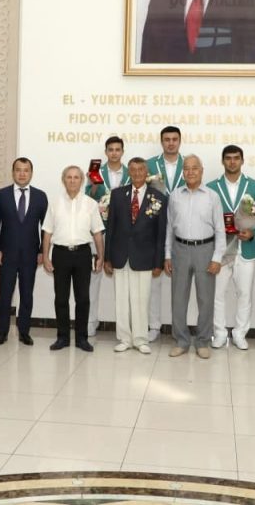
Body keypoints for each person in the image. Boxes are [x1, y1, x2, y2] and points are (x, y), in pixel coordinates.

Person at [104, 157, 167, 354]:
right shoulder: (117, 194)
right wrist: (107, 258)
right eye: (133, 169)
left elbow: (161, 233)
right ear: (129, 172)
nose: (137, 173)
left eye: (141, 169)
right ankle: (124, 338)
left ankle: (140, 339)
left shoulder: (158, 197)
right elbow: (111, 227)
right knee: (122, 300)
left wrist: (158, 262)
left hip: (145, 257)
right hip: (120, 255)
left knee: (141, 300)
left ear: (146, 172)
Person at [164, 155, 224, 359]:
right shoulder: (175, 195)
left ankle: (203, 341)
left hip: (205, 250)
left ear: (201, 170)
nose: (190, 172)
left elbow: (220, 229)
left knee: (206, 299)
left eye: (194, 168)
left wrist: (217, 258)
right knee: (178, 299)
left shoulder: (212, 196)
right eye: (186, 168)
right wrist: (167, 254)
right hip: (179, 250)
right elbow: (169, 228)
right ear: (183, 172)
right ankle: (181, 341)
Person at [207, 145, 255, 350]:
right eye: (228, 158)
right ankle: (220, 333)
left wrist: (253, 233)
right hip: (221, 250)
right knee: (217, 294)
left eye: (236, 158)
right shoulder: (211, 187)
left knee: (244, 293)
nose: (232, 162)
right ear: (222, 161)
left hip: (246, 249)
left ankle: (240, 333)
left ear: (242, 160)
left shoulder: (254, 186)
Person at [42, 166, 105, 352]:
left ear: (82, 180)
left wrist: (101, 257)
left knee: (83, 298)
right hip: (60, 254)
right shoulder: (54, 203)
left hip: (83, 254)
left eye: (76, 177)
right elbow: (47, 232)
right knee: (61, 298)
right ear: (63, 180)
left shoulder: (90, 204)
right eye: (68, 177)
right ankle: (62, 337)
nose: (72, 180)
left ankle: (81, 338)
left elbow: (97, 233)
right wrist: (45, 256)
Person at [0, 157, 48, 346]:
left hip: (30, 255)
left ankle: (24, 332)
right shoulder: (1, 195)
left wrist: (42, 251)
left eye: (26, 170)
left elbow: (46, 228)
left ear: (31, 173)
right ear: (13, 172)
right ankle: (2, 332)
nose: (22, 174)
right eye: (18, 170)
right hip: (6, 254)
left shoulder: (40, 196)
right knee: (5, 294)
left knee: (27, 294)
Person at [85, 136, 129, 338]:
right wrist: (93, 186)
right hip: (98, 232)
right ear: (105, 152)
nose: (114, 153)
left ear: (122, 152)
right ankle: (90, 322)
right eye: (110, 149)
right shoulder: (96, 173)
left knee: (124, 283)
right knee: (93, 279)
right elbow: (87, 199)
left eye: (117, 149)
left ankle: (124, 328)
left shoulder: (130, 174)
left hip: (122, 233)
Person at [146, 125, 185, 341]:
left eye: (174, 139)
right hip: (154, 226)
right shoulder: (150, 164)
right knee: (154, 279)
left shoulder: (188, 165)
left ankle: (180, 327)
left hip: (182, 227)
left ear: (179, 141)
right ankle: (153, 325)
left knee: (181, 283)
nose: (171, 143)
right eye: (167, 139)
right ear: (161, 142)